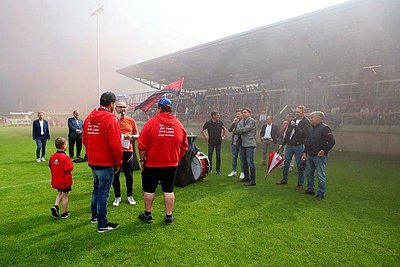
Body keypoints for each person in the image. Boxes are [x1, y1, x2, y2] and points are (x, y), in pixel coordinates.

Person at [137, 98, 188, 225]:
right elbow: (184, 147)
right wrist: (177, 158)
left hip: (152, 164)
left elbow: (142, 145)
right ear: (170, 108)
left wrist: (142, 160)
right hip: (171, 164)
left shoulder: (150, 123)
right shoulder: (179, 125)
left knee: (149, 190)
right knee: (168, 190)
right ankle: (169, 216)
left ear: (159, 108)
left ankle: (148, 215)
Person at [83, 91, 123, 233]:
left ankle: (95, 217)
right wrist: (118, 163)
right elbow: (116, 145)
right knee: (103, 194)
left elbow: (85, 140)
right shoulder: (111, 119)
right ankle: (102, 224)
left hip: (93, 162)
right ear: (111, 104)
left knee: (96, 190)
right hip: (106, 163)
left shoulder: (89, 118)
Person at [276, 105, 311, 190]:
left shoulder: (306, 123)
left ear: (303, 112)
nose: (296, 113)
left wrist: (295, 126)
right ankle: (284, 179)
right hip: (289, 145)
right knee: (286, 163)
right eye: (296, 112)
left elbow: (303, 134)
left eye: (298, 112)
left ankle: (300, 184)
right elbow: (288, 133)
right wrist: (283, 143)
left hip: (299, 146)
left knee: (300, 166)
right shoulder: (293, 120)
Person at [303, 111, 336, 200]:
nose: (310, 119)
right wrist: (305, 152)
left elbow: (332, 142)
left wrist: (323, 150)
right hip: (310, 155)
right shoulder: (310, 128)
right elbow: (307, 141)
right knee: (309, 173)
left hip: (319, 156)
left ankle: (321, 193)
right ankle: (310, 189)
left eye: (312, 117)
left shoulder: (325, 128)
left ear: (319, 118)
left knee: (320, 174)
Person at [112, 100, 139, 207]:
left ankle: (130, 196)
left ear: (126, 108)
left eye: (124, 107)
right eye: (120, 107)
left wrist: (131, 136)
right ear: (115, 108)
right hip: (115, 152)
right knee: (115, 175)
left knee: (129, 175)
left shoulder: (131, 120)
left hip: (128, 151)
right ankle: (117, 197)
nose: (122, 109)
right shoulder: (112, 120)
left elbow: (137, 135)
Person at [49, 137, 74, 219]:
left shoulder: (52, 156)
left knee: (60, 192)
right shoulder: (65, 157)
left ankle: (55, 206)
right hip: (65, 180)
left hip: (56, 179)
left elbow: (50, 166)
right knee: (65, 195)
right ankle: (64, 212)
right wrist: (69, 160)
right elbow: (69, 168)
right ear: (63, 146)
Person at [235, 108, 257, 186]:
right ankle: (246, 177)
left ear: (249, 113)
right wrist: (239, 130)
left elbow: (244, 130)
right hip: (242, 143)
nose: (244, 114)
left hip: (250, 144)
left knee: (250, 162)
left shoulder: (252, 121)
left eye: (245, 112)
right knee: (243, 162)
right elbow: (238, 129)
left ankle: (253, 180)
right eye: (243, 112)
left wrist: (239, 130)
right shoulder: (241, 121)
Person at [200, 111, 226, 175]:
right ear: (213, 116)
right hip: (211, 142)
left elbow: (224, 129)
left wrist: (223, 136)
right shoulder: (208, 123)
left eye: (219, 115)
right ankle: (210, 169)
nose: (219, 116)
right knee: (210, 156)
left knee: (218, 156)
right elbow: (201, 130)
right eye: (217, 115)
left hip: (218, 142)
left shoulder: (220, 123)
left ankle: (218, 170)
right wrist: (205, 137)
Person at [227, 110, 244, 179]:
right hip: (234, 143)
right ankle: (234, 171)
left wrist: (236, 131)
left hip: (241, 143)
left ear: (242, 115)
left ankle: (243, 172)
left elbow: (242, 131)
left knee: (242, 158)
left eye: (239, 114)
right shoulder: (235, 122)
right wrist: (233, 123)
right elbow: (230, 130)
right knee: (234, 157)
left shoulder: (244, 122)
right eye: (236, 114)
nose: (237, 115)